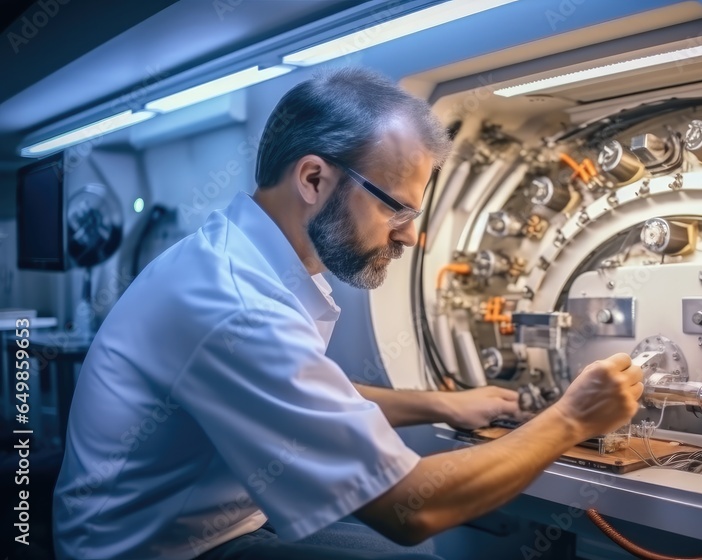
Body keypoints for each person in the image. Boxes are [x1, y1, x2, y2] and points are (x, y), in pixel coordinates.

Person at [52, 67, 643, 560]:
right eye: (397, 210)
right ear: (313, 178)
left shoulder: (247, 260)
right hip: (157, 550)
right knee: (412, 548)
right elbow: (410, 509)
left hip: (207, 522)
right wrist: (571, 419)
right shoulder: (236, 306)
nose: (409, 238)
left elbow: (309, 388)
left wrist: (440, 403)